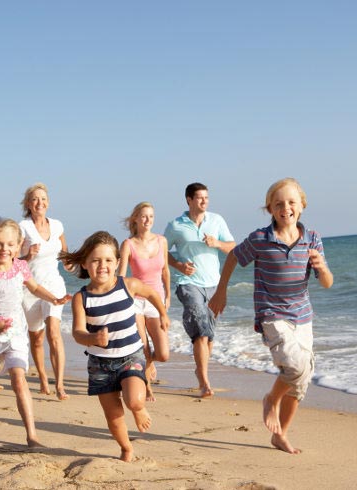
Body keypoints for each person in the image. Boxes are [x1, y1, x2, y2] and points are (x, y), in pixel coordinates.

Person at [208, 178, 333, 454]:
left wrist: (322, 268)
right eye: (278, 204)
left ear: (302, 205)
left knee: (301, 382)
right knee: (295, 367)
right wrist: (221, 291)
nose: (285, 207)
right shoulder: (260, 239)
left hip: (303, 316)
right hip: (272, 314)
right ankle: (270, 399)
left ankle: (281, 434)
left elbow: (327, 283)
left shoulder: (312, 239)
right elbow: (232, 257)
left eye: (291, 202)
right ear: (269, 209)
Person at [59, 231, 169, 462]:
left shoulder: (128, 285)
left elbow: (151, 293)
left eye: (108, 260)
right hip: (100, 364)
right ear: (85, 263)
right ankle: (126, 448)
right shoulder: (82, 298)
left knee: (133, 400)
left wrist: (162, 314)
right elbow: (78, 332)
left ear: (118, 262)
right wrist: (92, 339)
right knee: (113, 414)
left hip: (131, 356)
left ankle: (139, 409)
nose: (103, 265)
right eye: (96, 260)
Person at [0, 218, 71, 448]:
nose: (5, 249)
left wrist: (54, 298)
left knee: (19, 380)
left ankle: (32, 436)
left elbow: (34, 288)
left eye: (10, 244)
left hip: (15, 335)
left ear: (19, 245)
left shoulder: (21, 267)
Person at [164, 182, 235, 398]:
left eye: (207, 197)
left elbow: (233, 247)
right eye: (200, 198)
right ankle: (204, 382)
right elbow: (162, 251)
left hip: (213, 284)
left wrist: (217, 244)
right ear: (189, 200)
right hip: (188, 284)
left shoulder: (217, 220)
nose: (205, 201)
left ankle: (200, 368)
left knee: (209, 335)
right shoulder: (176, 225)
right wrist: (178, 266)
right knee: (201, 332)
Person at [19, 183, 70, 399]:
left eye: (43, 199)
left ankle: (60, 385)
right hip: (30, 288)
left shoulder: (57, 226)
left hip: (54, 285)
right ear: (28, 204)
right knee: (37, 338)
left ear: (48, 203)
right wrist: (28, 255)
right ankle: (42, 377)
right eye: (34, 199)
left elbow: (65, 255)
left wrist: (80, 265)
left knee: (54, 334)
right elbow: (13, 261)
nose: (39, 202)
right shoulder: (23, 227)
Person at [118, 202, 171, 401]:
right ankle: (147, 387)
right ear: (135, 219)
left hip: (155, 299)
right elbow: (122, 276)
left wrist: (168, 296)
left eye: (151, 216)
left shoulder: (161, 241)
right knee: (143, 347)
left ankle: (149, 362)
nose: (148, 220)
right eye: (144, 216)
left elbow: (165, 270)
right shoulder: (128, 244)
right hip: (135, 301)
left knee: (163, 353)